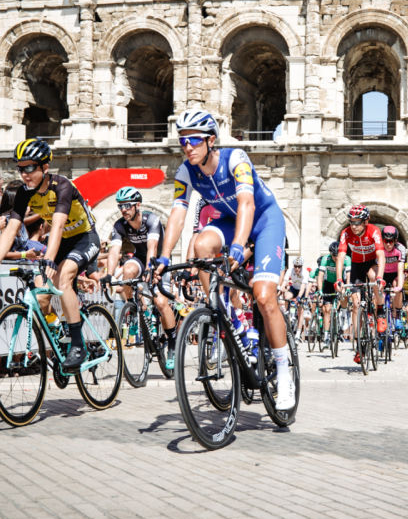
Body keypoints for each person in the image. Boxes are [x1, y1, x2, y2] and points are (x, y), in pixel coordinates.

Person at [152, 109, 296, 411]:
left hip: (264, 220)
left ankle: (284, 375)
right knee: (202, 246)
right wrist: (163, 256)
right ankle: (228, 315)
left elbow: (247, 204)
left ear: (211, 140)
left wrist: (238, 248)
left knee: (264, 296)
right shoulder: (186, 171)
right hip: (231, 222)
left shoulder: (235, 159)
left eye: (194, 140)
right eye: (182, 141)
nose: (187, 147)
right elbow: (178, 213)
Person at [0, 138, 101, 372]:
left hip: (85, 238)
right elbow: (11, 230)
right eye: (20, 168)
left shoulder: (62, 186)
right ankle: (62, 339)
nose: (25, 174)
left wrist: (49, 260)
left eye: (30, 167)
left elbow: (57, 227)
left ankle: (78, 345)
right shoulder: (24, 193)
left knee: (63, 277)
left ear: (45, 167)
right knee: (41, 297)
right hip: (63, 242)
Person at [105, 186, 175, 348]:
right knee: (127, 270)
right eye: (120, 206)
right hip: (140, 258)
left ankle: (172, 341)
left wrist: (150, 268)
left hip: (159, 260)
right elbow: (114, 251)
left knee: (161, 303)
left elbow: (152, 247)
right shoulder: (120, 225)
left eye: (127, 205)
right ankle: (133, 306)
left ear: (137, 205)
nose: (123, 209)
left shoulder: (151, 220)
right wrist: (109, 274)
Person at [334, 204, 387, 364]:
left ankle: (380, 311)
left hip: (371, 263)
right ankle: (359, 347)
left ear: (365, 222)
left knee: (373, 277)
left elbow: (381, 255)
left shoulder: (374, 231)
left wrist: (380, 277)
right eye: (351, 222)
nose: (354, 226)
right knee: (356, 305)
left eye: (357, 222)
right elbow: (341, 257)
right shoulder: (346, 233)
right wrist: (339, 279)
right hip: (356, 266)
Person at [378, 226, 406, 329]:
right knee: (378, 290)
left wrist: (400, 286)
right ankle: (380, 315)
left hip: (395, 273)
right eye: (386, 241)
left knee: (397, 286)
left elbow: (400, 269)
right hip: (383, 273)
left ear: (395, 240)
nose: (388, 244)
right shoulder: (379, 248)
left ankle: (397, 314)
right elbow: (377, 267)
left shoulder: (400, 249)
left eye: (391, 241)